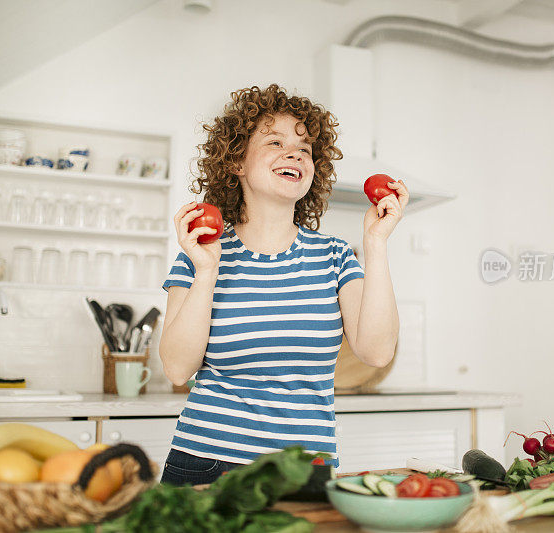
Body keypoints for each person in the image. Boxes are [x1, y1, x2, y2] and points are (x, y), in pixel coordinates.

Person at [158, 84, 408, 486]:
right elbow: (176, 368)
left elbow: (377, 352)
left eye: (305, 148)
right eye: (275, 142)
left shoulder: (335, 256)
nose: (295, 153)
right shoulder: (201, 253)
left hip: (304, 470)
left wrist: (375, 244)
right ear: (236, 161)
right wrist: (206, 271)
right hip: (207, 462)